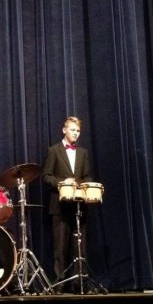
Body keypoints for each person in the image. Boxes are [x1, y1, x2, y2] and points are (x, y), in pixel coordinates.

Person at [42, 116, 94, 292]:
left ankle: (79, 283)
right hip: (59, 206)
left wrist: (87, 185)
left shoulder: (83, 153)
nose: (76, 134)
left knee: (80, 247)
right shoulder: (54, 151)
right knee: (60, 248)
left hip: (78, 206)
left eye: (78, 131)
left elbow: (86, 175)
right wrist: (63, 183)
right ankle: (59, 284)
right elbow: (46, 176)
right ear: (64, 130)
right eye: (73, 130)